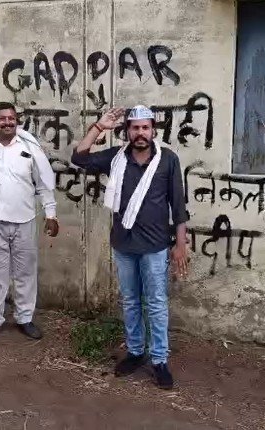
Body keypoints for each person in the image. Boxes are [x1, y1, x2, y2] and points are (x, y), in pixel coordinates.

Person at [71, 105, 189, 390]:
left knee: (156, 303)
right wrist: (100, 127)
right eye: (135, 128)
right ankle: (136, 352)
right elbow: (79, 158)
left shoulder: (168, 160)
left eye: (145, 127)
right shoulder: (116, 157)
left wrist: (180, 244)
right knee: (131, 301)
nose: (140, 133)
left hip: (155, 245)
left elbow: (178, 204)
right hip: (124, 244)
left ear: (153, 131)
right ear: (127, 131)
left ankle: (159, 359)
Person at [0, 102, 59, 341]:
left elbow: (43, 184)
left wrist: (51, 214)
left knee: (25, 272)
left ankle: (25, 318)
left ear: (16, 120)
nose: (7, 122)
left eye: (11, 118)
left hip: (24, 220)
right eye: (2, 119)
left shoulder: (29, 148)